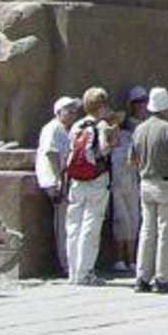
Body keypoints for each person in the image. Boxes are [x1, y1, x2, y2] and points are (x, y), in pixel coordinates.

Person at [132, 86, 168, 294]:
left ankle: (142, 277)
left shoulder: (139, 129)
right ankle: (163, 278)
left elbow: (132, 160)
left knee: (147, 231)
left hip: (146, 182)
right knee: (167, 230)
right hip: (167, 183)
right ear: (165, 107)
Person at [63, 86, 116, 285]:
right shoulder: (100, 125)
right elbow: (103, 150)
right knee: (91, 225)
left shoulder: (77, 125)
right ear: (101, 107)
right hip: (96, 179)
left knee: (73, 225)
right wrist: (111, 140)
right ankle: (85, 272)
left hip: (76, 180)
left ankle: (73, 272)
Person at [34, 95, 79, 272]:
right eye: (69, 110)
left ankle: (69, 260)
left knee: (68, 221)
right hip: (55, 180)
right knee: (62, 223)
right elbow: (51, 154)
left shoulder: (67, 129)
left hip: (64, 178)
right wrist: (58, 180)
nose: (73, 113)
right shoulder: (53, 129)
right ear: (58, 112)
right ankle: (65, 263)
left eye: (74, 111)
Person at [108, 85, 147, 275]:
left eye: (144, 101)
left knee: (134, 220)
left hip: (134, 180)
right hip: (119, 181)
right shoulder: (122, 134)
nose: (141, 106)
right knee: (121, 220)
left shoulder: (142, 129)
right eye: (137, 102)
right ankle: (119, 258)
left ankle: (131, 259)